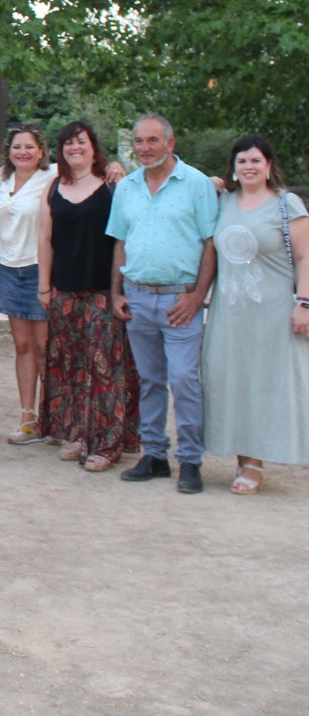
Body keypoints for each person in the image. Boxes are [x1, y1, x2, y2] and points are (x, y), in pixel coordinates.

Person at [107, 113, 218, 494]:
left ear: (170, 143)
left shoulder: (197, 185)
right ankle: (154, 455)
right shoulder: (127, 188)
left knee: (185, 380)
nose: (144, 148)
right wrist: (116, 292)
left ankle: (190, 460)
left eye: (152, 141)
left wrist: (197, 297)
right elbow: (120, 241)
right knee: (150, 380)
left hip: (180, 300)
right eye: (139, 141)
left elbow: (209, 244)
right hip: (138, 297)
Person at [200, 135, 309, 495]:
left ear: (269, 166)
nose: (248, 167)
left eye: (256, 161)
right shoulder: (224, 201)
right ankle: (241, 457)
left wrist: (304, 303)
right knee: (230, 381)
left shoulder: (286, 204)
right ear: (233, 166)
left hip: (272, 312)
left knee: (265, 386)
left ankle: (254, 462)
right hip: (228, 313)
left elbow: (306, 257)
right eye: (242, 161)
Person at [35, 121, 139, 472]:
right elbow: (45, 240)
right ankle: (76, 433)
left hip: (101, 292)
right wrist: (44, 286)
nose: (74, 148)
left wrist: (119, 290)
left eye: (81, 142)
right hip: (64, 291)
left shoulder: (114, 186)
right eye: (68, 143)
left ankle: (107, 444)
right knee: (68, 367)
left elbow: (125, 239)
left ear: (94, 146)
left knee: (103, 369)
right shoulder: (53, 186)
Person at [0, 124, 56, 445]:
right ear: (9, 151)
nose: (23, 152)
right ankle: (28, 416)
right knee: (23, 346)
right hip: (8, 270)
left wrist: (116, 166)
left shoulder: (53, 176)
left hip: (39, 270)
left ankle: (54, 417)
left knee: (46, 348)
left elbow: (95, 168)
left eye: (30, 147)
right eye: (17, 147)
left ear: (41, 151)